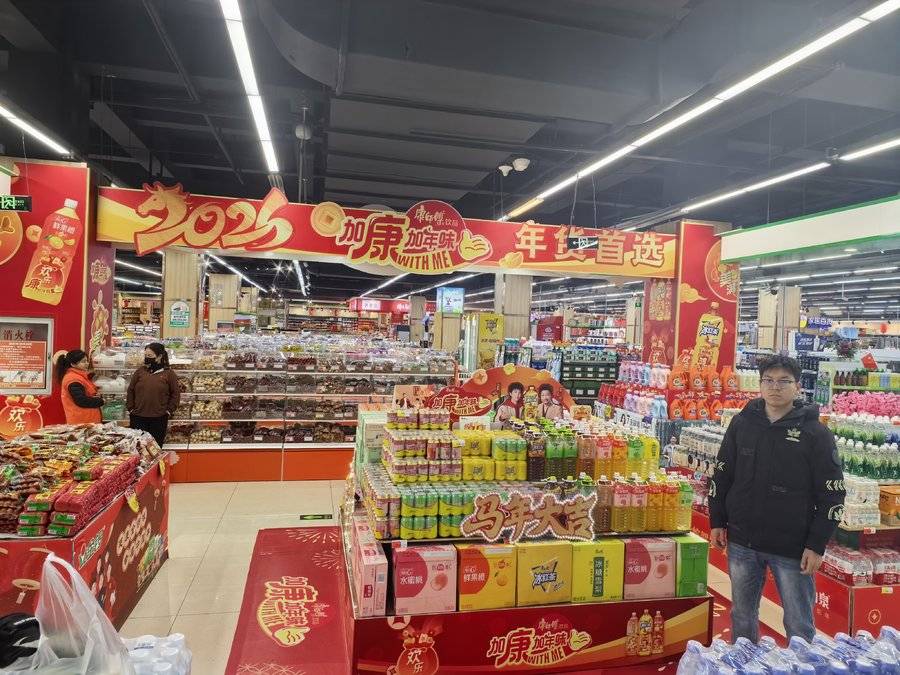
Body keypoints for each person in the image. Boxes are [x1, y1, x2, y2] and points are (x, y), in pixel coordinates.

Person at [709, 355, 845, 643]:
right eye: (768, 380)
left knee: (799, 624)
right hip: (743, 540)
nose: (775, 387)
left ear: (797, 387)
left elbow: (833, 493)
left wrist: (816, 544)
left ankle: (802, 663)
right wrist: (717, 520)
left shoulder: (815, 433)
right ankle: (743, 662)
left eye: (784, 381)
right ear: (759, 385)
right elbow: (722, 473)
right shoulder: (742, 424)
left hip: (791, 547)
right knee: (742, 616)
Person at [127, 343, 180, 447]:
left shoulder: (169, 374)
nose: (147, 358)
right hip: (138, 417)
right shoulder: (140, 371)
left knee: (155, 447)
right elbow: (131, 390)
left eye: (150, 356)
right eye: (145, 355)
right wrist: (130, 408)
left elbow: (175, 393)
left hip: (159, 418)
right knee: (138, 447)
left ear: (159, 356)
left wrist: (169, 410)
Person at [56, 350, 103, 424]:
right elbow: (81, 400)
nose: (87, 363)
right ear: (73, 364)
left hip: (86, 420)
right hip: (82, 421)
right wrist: (101, 401)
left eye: (87, 361)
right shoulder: (73, 379)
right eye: (83, 362)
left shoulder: (79, 376)